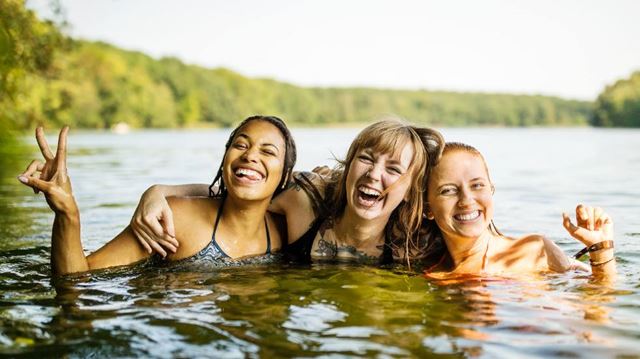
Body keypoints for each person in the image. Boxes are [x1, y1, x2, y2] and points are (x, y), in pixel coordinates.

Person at [131, 119, 445, 266]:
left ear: (409, 191)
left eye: (393, 169)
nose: (374, 175)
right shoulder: (304, 200)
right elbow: (243, 193)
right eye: (365, 159)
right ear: (349, 166)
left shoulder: (415, 242)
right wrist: (160, 191)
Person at [17, 115, 296, 275]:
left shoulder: (288, 229)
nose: (249, 156)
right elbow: (79, 278)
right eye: (240, 145)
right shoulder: (174, 218)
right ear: (225, 159)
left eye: (268, 151)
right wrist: (68, 214)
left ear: (285, 175)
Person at [422, 142, 616, 278]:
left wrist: (600, 250)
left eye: (477, 185)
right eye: (448, 190)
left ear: (491, 190)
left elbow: (604, 300)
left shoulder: (535, 250)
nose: (466, 200)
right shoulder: (434, 275)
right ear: (428, 208)